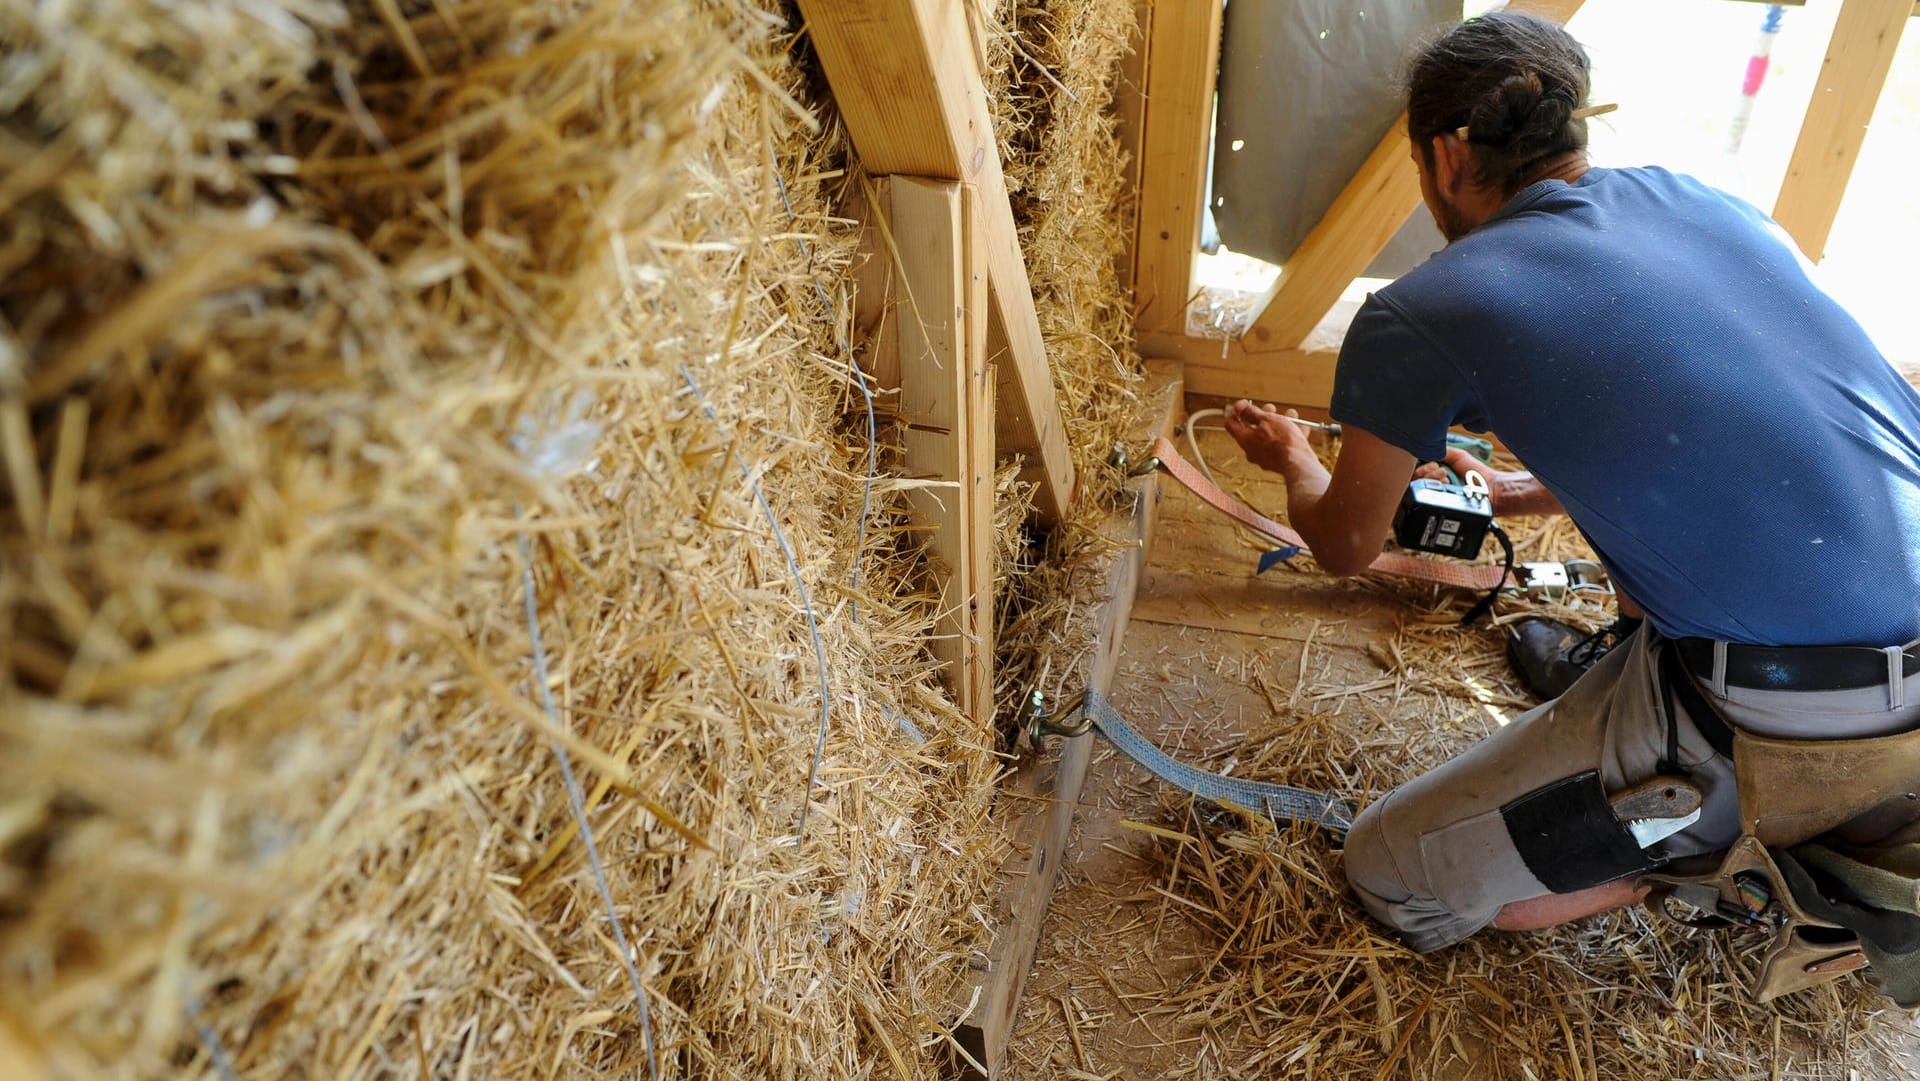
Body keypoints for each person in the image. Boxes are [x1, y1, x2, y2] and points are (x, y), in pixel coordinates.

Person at [1224, 12, 1920, 952]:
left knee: (1393, 874)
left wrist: (1296, 462)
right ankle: (1682, 740)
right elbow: (1718, 423)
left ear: (1443, 159)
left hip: (1795, 708)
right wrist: (1516, 494)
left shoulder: (1426, 305)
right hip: (1886, 615)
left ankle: (1700, 859)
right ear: (1576, 123)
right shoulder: (1698, 199)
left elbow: (1347, 544)